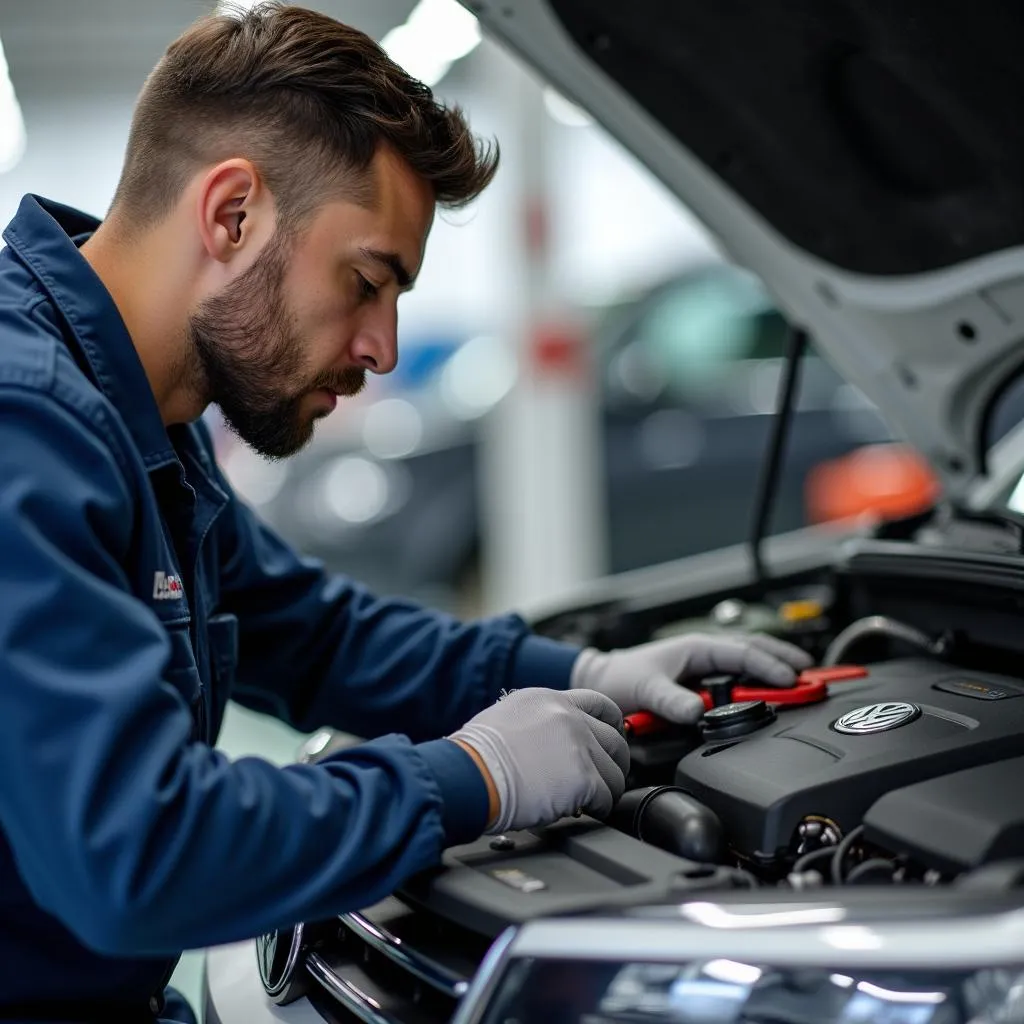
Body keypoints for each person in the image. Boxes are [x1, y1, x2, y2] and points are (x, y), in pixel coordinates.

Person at [0, 4, 812, 1022]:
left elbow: (314, 632)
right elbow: (137, 854)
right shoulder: (24, 418)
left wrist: (583, 672)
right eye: (367, 280)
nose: (384, 347)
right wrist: (469, 776)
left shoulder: (144, 415)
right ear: (231, 215)